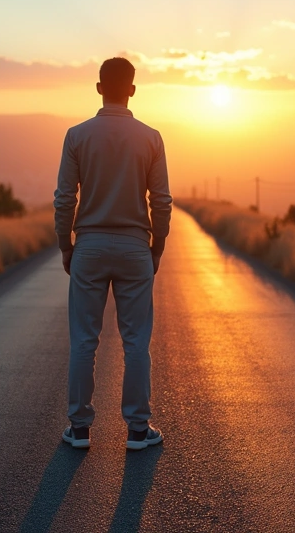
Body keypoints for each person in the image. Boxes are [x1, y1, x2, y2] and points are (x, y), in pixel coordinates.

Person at [53, 56, 172, 451]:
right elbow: (162, 201)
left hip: (88, 245)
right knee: (136, 340)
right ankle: (138, 429)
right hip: (136, 246)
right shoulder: (151, 137)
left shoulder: (77, 135)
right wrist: (156, 247)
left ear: (100, 87)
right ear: (133, 89)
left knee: (85, 339)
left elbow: (65, 198)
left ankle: (80, 428)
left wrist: (65, 245)